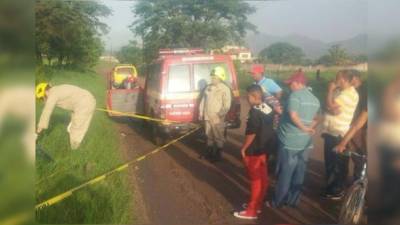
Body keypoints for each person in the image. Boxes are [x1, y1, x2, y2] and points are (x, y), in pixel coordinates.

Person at [270, 71, 320, 208]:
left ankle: (278, 201)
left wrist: (304, 128)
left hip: (289, 141)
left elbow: (293, 115)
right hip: (305, 143)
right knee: (299, 172)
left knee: (285, 172)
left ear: (299, 83)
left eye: (291, 83)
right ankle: (293, 200)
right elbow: (316, 118)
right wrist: (309, 128)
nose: (289, 86)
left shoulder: (295, 96)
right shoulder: (314, 98)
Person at [233, 84, 274, 220]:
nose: (246, 99)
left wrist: (244, 148)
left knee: (256, 181)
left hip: (255, 150)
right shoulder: (268, 108)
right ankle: (257, 205)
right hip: (264, 149)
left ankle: (251, 211)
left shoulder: (254, 112)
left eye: (248, 96)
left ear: (254, 96)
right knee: (263, 179)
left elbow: (251, 133)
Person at [321, 70, 359, 199]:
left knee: (336, 163)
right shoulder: (343, 92)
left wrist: (330, 90)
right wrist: (330, 106)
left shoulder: (347, 94)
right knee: (334, 162)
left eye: (337, 78)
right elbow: (329, 108)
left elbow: (331, 106)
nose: (335, 81)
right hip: (333, 131)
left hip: (337, 133)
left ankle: (336, 190)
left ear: (343, 79)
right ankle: (334, 188)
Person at [36, 83, 96, 150]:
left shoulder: (52, 95)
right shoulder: (55, 89)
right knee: (79, 124)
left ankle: (74, 149)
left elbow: (46, 112)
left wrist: (38, 130)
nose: (43, 99)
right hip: (87, 99)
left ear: (46, 92)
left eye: (42, 97)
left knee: (77, 128)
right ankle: (75, 145)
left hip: (84, 104)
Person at [334, 72, 367, 181]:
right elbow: (357, 124)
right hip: (356, 129)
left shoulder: (364, 90)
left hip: (362, 129)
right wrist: (343, 143)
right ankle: (357, 184)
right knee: (358, 158)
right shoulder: (355, 92)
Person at [199, 66, 232, 162]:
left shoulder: (225, 89)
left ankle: (218, 155)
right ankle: (209, 153)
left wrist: (219, 115)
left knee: (218, 136)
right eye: (212, 77)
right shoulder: (208, 88)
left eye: (214, 77)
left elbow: (227, 105)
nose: (212, 79)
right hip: (207, 116)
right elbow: (203, 101)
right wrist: (201, 112)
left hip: (217, 117)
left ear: (220, 78)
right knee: (209, 135)